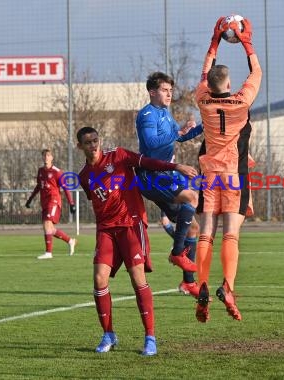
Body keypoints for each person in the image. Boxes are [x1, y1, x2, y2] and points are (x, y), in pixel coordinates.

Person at [76, 126, 197, 356]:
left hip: (131, 224)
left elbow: (149, 162)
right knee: (99, 279)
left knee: (137, 277)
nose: (93, 145)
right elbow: (95, 198)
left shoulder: (119, 156)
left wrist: (176, 166)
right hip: (106, 230)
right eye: (88, 142)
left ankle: (150, 337)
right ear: (80, 146)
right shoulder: (84, 176)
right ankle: (108, 334)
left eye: (95, 140)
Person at [193, 16, 262, 322]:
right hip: (233, 175)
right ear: (231, 85)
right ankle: (228, 286)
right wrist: (246, 42)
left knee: (206, 230)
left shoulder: (202, 101)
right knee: (231, 233)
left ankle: (203, 283)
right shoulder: (241, 103)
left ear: (208, 85)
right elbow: (257, 71)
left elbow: (205, 73)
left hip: (209, 174)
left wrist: (214, 41)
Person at [135, 72, 203, 297]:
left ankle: (188, 282)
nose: (169, 94)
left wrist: (202, 127)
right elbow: (151, 142)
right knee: (192, 197)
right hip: (151, 175)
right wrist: (177, 132)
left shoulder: (165, 112)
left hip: (165, 174)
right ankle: (176, 252)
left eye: (171, 91)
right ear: (152, 92)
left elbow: (180, 137)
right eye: (165, 90)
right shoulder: (147, 115)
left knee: (193, 226)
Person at [25, 149, 77, 259]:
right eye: (44, 155)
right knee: (50, 229)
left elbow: (65, 188)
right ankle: (70, 241)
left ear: (52, 157)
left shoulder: (57, 172)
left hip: (54, 201)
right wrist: (30, 199)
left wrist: (71, 203)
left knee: (47, 224)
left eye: (48, 155)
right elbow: (38, 186)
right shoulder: (40, 171)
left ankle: (48, 253)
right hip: (44, 202)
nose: (46, 157)